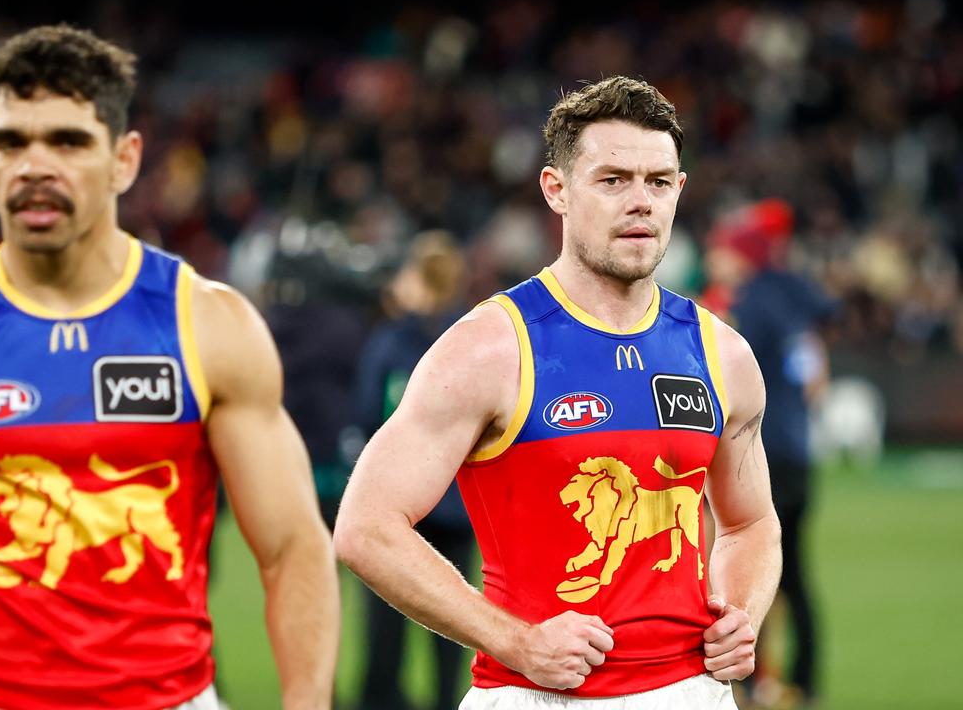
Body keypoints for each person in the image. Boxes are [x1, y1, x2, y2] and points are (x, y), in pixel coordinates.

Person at [0, 25, 339, 710]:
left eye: (68, 141)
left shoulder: (208, 326)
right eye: (13, 142)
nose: (34, 165)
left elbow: (293, 550)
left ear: (125, 160)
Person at [333, 76, 782, 709]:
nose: (641, 202)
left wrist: (742, 610)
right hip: (536, 695)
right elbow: (365, 527)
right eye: (613, 179)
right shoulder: (490, 348)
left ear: (679, 191)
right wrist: (514, 641)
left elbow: (750, 521)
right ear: (557, 190)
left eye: (658, 182)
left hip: (692, 694)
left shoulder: (722, 354)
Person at [705, 200, 832, 709]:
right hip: (800, 454)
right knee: (794, 574)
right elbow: (816, 380)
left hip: (757, 452)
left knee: (742, 565)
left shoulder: (744, 305)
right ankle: (801, 680)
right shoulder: (792, 304)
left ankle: (755, 680)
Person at [351, 231, 476, 710]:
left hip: (397, 510)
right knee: (455, 628)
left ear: (419, 279)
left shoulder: (389, 342)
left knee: (385, 630)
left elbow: (365, 414)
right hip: (456, 508)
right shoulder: (470, 339)